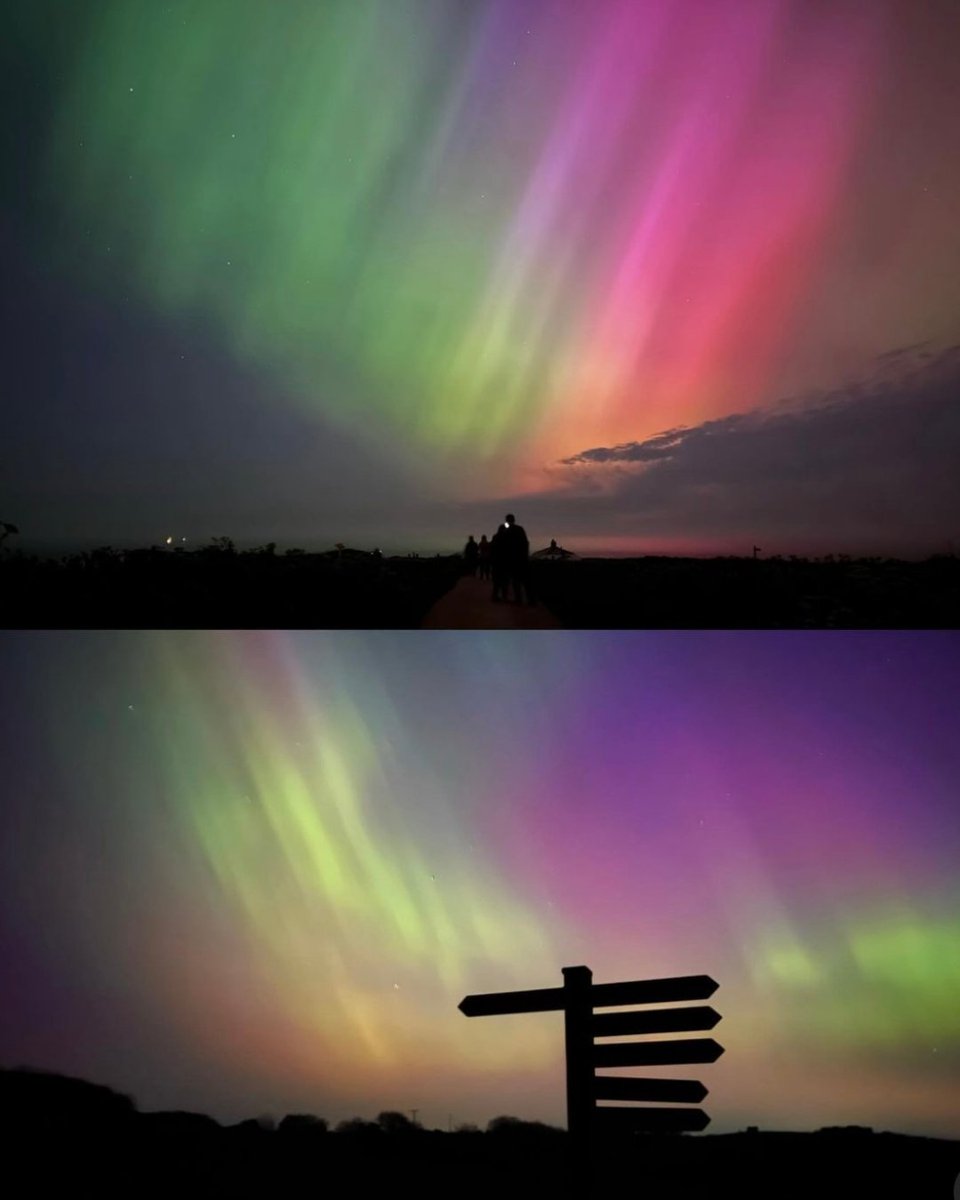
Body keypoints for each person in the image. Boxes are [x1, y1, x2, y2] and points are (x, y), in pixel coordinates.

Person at [502, 513, 531, 604]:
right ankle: (529, 600)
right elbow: (525, 543)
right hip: (520, 558)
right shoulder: (519, 529)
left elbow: (504, 546)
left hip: (513, 559)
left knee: (515, 580)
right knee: (523, 580)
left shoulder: (507, 531)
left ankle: (519, 599)